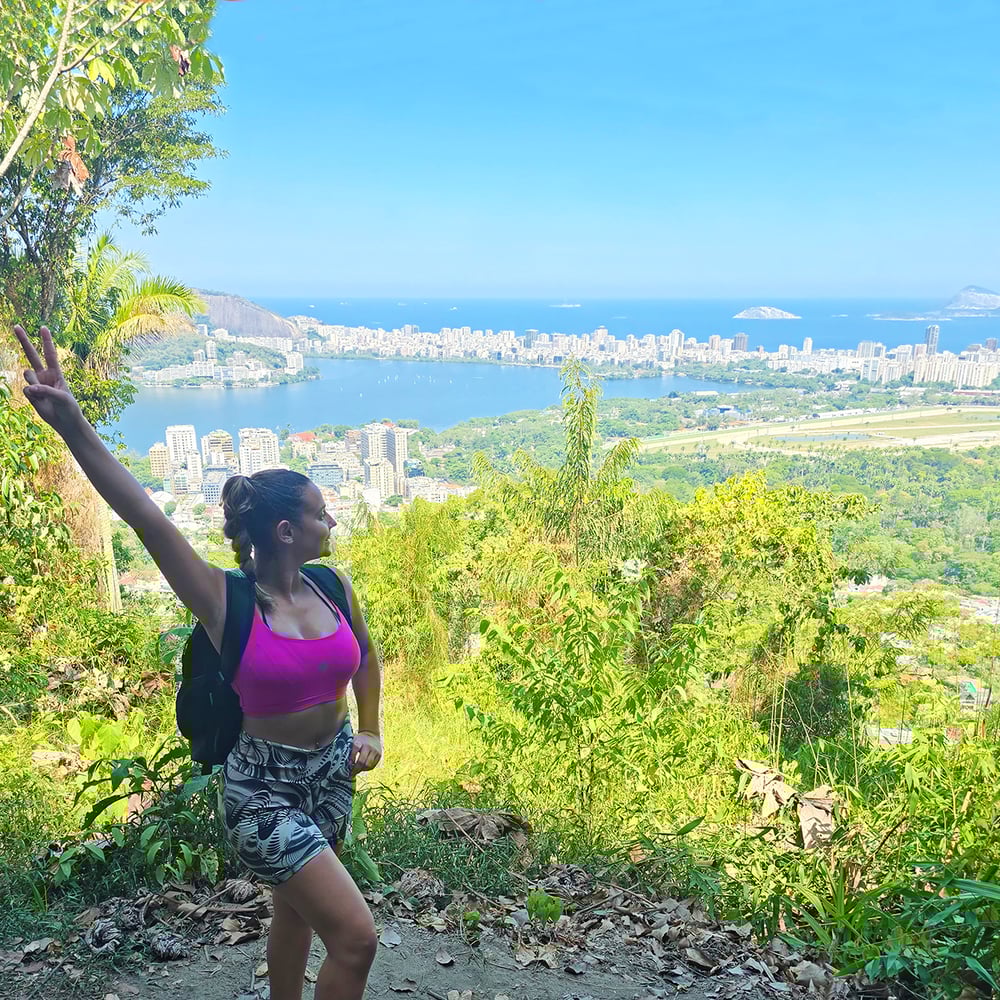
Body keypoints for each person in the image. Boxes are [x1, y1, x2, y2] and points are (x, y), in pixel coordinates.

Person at [13, 324, 383, 1000]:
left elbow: (367, 658)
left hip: (330, 774)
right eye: (321, 515)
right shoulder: (224, 600)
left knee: (297, 910)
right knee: (356, 939)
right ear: (286, 532)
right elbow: (145, 517)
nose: (332, 524)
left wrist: (370, 728)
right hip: (262, 790)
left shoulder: (334, 586)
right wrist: (71, 423)